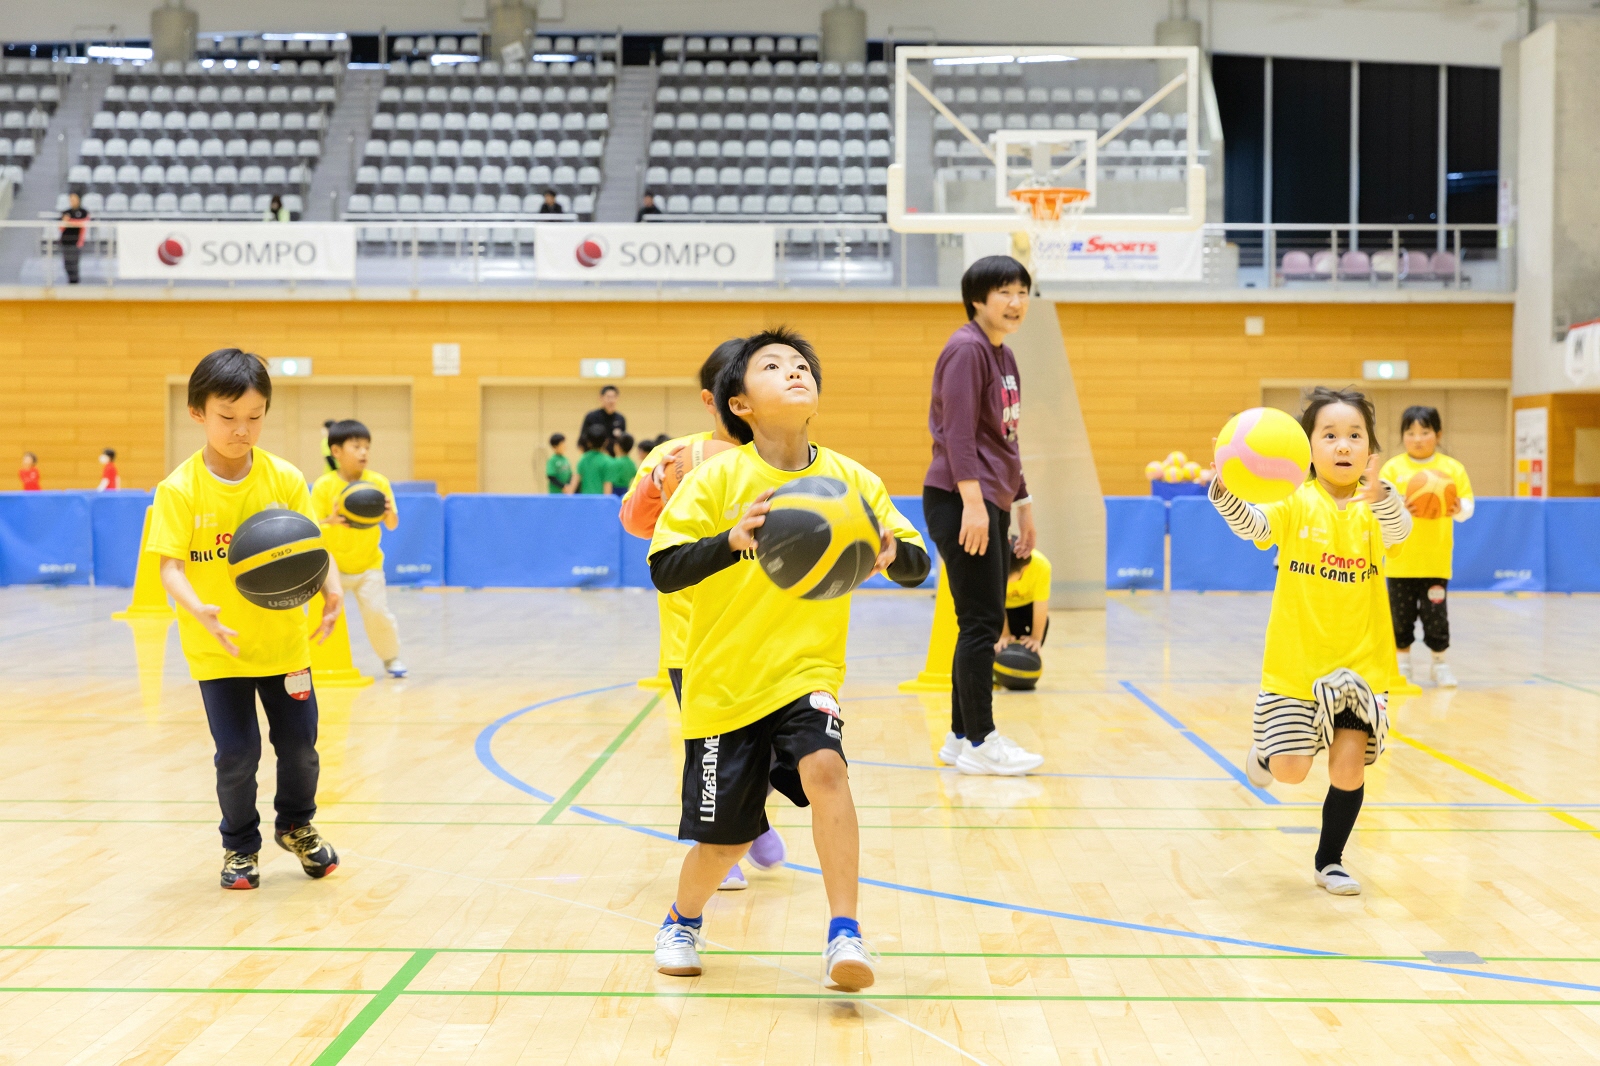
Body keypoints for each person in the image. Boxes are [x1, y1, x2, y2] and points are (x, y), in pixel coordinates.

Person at [647, 327, 930, 988]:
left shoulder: (850, 479)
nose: (793, 372)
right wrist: (731, 540)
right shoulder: (717, 480)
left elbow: (917, 564)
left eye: (802, 365)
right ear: (740, 403)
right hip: (724, 682)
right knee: (727, 840)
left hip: (809, 671)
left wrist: (892, 554)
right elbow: (665, 569)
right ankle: (683, 917)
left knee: (826, 770)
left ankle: (845, 933)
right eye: (772, 366)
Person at [145, 348, 344, 891]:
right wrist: (197, 608)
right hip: (220, 650)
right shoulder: (179, 490)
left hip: (285, 644)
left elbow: (312, 548)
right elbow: (169, 567)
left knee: (300, 748)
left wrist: (333, 590)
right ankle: (239, 847)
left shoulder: (284, 479)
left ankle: (297, 826)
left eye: (254, 417)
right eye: (228, 417)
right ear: (198, 413)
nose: (242, 429)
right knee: (237, 755)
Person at [1211, 386, 1411, 897]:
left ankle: (1330, 861)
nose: (1343, 446)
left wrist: (1384, 496)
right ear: (1307, 447)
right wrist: (1226, 494)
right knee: (1292, 771)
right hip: (1296, 665)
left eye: (1354, 436)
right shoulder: (1294, 501)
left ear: (1370, 450)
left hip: (1362, 664)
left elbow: (1402, 532)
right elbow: (1255, 527)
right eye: (1329, 435)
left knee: (1347, 765)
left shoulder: (1377, 506)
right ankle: (1265, 750)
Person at [619, 337, 788, 892]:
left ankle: (754, 816)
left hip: (765, 631)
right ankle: (718, 844)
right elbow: (635, 523)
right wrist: (654, 485)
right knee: (709, 750)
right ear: (713, 399)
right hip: (692, 638)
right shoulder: (677, 454)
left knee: (768, 745)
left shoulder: (781, 456)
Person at [925, 255, 1043, 776]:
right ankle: (981, 740)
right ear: (978, 299)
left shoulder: (1004, 356)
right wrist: (973, 504)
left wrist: (1023, 504)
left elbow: (1005, 439)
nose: (1016, 303)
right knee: (980, 623)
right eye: (1004, 293)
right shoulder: (966, 350)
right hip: (959, 499)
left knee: (975, 621)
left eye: (1022, 292)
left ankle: (959, 737)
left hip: (989, 499)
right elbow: (957, 435)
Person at [1380, 406, 1474, 688]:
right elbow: (1379, 508)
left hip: (1435, 561)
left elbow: (1467, 506)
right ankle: (1403, 666)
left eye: (1425, 432)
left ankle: (1439, 664)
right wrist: (1398, 506)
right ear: (1402, 436)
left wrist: (1458, 508)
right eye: (1410, 433)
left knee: (1436, 618)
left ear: (1438, 434)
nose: (1418, 438)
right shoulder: (1392, 468)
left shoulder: (1452, 468)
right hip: (1400, 561)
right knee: (1400, 619)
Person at [311, 419, 407, 679]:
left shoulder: (378, 482)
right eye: (356, 446)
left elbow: (393, 524)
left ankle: (391, 658)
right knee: (322, 615)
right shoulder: (323, 486)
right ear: (337, 451)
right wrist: (329, 521)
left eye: (367, 447)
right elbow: (312, 527)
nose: (364, 452)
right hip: (333, 568)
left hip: (368, 565)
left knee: (378, 613)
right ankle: (312, 661)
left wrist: (387, 512)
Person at [1001, 545, 1050, 653]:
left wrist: (1036, 638)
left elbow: (1041, 605)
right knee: (1004, 643)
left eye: (1009, 578)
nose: (1006, 582)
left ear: (1025, 567)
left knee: (1038, 634)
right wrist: (1004, 635)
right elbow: (994, 605)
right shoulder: (991, 567)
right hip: (1004, 607)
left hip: (1029, 605)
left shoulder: (1041, 565)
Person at [59, 192, 89, 285]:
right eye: (71, 199)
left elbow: (83, 224)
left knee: (74, 263)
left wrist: (70, 222)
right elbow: (61, 227)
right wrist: (66, 222)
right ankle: (70, 281)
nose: (72, 201)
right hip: (65, 241)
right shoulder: (66, 212)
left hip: (76, 241)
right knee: (67, 263)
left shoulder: (83, 212)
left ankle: (75, 282)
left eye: (74, 199)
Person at [574, 425, 613, 494]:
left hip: (585, 502)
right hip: (600, 502)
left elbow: (574, 482)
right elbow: (607, 486)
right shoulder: (608, 461)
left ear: (588, 443)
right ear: (606, 442)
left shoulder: (583, 458)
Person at [609, 432, 637, 497]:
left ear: (617, 446)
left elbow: (609, 481)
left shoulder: (614, 462)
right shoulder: (631, 463)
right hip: (625, 492)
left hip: (614, 492)